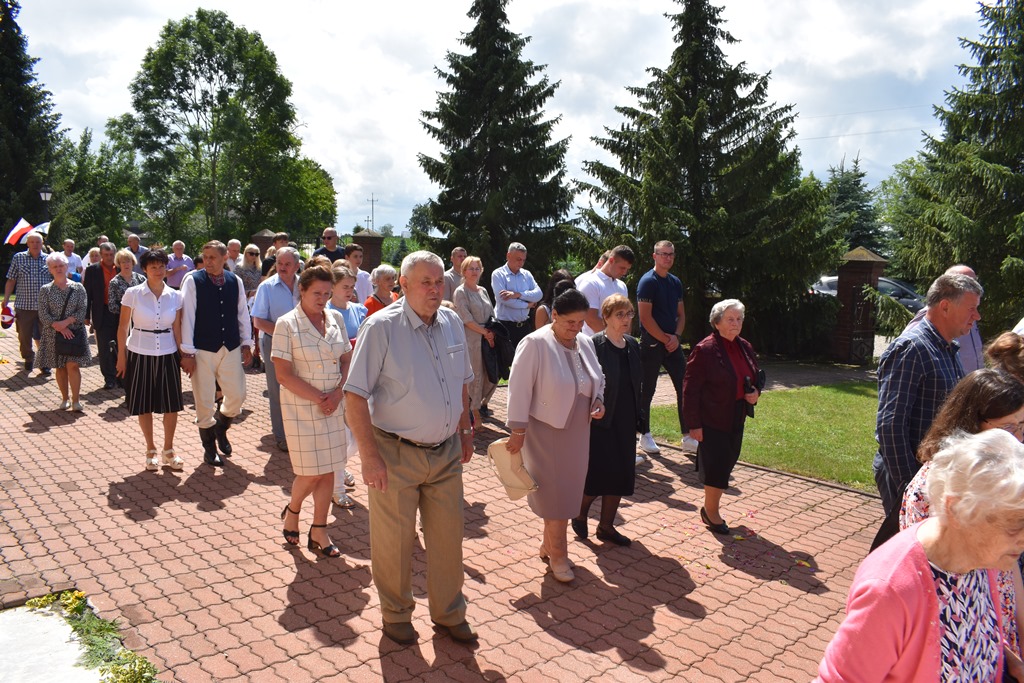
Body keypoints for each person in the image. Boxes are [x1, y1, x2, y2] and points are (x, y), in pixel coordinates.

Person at [343, 251, 478, 646]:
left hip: (446, 451)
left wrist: (465, 429)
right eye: (425, 283)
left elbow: (463, 381)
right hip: (394, 452)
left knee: (449, 538)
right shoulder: (380, 327)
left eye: (438, 282)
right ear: (403, 285)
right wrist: (369, 457)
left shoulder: (451, 322)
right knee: (394, 542)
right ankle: (396, 614)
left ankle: (449, 613)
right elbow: (354, 396)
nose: (435, 290)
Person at [815, 429, 1024, 683]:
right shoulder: (891, 591)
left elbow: (970, 633)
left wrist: (1005, 660)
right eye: (1014, 523)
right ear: (958, 509)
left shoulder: (978, 557)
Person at [898, 369, 1024, 659]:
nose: (1018, 440)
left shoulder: (1000, 476)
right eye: (1007, 428)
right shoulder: (936, 487)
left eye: (1022, 426)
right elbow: (936, 584)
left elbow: (1010, 567)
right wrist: (1000, 650)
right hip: (958, 632)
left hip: (996, 625)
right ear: (971, 423)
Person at [506, 289, 606, 582]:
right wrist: (518, 431)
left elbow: (598, 377)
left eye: (580, 322)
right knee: (554, 494)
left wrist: (599, 400)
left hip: (578, 430)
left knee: (568, 491)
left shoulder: (585, 342)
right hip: (545, 430)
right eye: (570, 322)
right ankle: (559, 555)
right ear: (554, 315)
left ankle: (549, 545)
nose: (576, 328)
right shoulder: (534, 343)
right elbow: (518, 389)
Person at [874, 273, 983, 516]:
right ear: (945, 306)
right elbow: (890, 425)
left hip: (931, 477)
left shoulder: (947, 348)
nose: (977, 316)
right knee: (904, 538)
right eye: (971, 309)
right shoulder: (912, 348)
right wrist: (910, 484)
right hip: (909, 477)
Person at [274, 266, 352, 558]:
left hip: (333, 404)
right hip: (301, 407)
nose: (322, 299)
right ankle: (293, 510)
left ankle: (319, 528)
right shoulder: (286, 324)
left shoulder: (336, 319)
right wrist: (321, 398)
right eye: (316, 293)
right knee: (310, 472)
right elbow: (283, 374)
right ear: (302, 290)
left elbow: (347, 359)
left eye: (327, 293)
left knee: (329, 468)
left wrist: (338, 393)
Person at [682, 299, 761, 535]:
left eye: (739, 319)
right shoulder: (705, 350)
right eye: (730, 319)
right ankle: (711, 511)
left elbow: (755, 376)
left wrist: (756, 392)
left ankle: (710, 507)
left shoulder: (744, 346)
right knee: (716, 466)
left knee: (727, 461)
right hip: (712, 417)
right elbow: (690, 389)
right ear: (716, 322)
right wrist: (693, 425)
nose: (736, 323)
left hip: (736, 414)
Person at [573, 294, 641, 546]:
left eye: (629, 314)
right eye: (619, 314)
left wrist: (640, 417)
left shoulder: (633, 344)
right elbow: (583, 381)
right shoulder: (594, 345)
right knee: (598, 475)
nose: (626, 319)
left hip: (626, 419)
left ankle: (606, 526)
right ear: (606, 317)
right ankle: (579, 513)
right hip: (601, 421)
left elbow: (637, 384)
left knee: (621, 474)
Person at [180, 241, 253, 467]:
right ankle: (209, 447)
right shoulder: (193, 280)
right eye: (205, 257)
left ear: (224, 258)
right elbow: (187, 316)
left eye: (212, 257)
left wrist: (247, 343)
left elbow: (242, 313)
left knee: (238, 395)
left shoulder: (235, 280)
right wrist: (187, 352)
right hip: (202, 348)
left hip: (230, 345)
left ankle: (221, 427)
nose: (208, 261)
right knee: (204, 399)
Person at [114, 249, 186, 472]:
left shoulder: (175, 295)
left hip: (168, 352)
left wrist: (183, 355)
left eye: (162, 266)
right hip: (139, 351)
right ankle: (150, 449)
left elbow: (177, 328)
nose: (158, 270)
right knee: (143, 403)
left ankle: (169, 450)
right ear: (144, 269)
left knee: (171, 404)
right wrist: (121, 357)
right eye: (153, 267)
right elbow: (123, 327)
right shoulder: (133, 293)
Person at [636, 240, 692, 458]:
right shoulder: (647, 282)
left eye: (671, 254)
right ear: (654, 256)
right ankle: (644, 433)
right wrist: (665, 338)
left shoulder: (675, 282)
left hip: (672, 344)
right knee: (647, 390)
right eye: (663, 254)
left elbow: (681, 314)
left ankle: (688, 436)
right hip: (651, 344)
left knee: (684, 386)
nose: (667, 258)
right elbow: (645, 318)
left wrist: (676, 337)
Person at [251, 247, 300, 452]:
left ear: (297, 266)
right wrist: (285, 335)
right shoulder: (267, 287)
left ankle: (299, 431)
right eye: (279, 263)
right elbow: (258, 321)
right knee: (278, 389)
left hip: (302, 344)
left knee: (301, 387)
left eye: (287, 264)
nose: (282, 267)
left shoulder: (304, 285)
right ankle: (281, 435)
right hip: (275, 342)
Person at [326, 262, 366, 508]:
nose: (350, 291)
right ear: (332, 287)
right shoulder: (325, 311)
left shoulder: (359, 310)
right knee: (341, 436)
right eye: (345, 287)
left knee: (359, 435)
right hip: (335, 380)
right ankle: (337, 488)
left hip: (358, 379)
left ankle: (337, 468)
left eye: (352, 287)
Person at [903, 264, 985, 373]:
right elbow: (912, 341)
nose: (973, 285)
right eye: (966, 281)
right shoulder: (930, 314)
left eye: (975, 281)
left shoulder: (967, 315)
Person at [36, 253, 90, 410]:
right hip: (53, 334)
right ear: (50, 269)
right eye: (55, 267)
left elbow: (82, 310)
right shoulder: (45, 290)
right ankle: (65, 398)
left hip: (74, 333)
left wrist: (66, 323)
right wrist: (58, 326)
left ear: (67, 267)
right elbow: (43, 313)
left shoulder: (78, 288)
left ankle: (76, 400)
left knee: (73, 365)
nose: (58, 269)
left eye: (61, 266)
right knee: (59, 367)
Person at [453, 256, 496, 425]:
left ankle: (479, 405)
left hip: (487, 338)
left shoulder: (483, 290)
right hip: (471, 338)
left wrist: (491, 333)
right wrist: (484, 332)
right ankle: (473, 411)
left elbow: (492, 313)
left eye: (477, 268)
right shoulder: (461, 292)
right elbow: (466, 318)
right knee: (475, 374)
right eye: (471, 268)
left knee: (489, 373)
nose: (474, 272)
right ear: (464, 271)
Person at [3, 232, 51, 373]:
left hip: (44, 305)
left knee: (46, 336)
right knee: (24, 336)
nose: (35, 245)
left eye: (38, 242)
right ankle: (29, 357)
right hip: (24, 306)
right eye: (32, 242)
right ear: (28, 243)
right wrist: (6, 299)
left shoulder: (49, 259)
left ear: (42, 243)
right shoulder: (19, 258)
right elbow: (11, 280)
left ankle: (44, 362)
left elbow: (56, 280)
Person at [492, 242, 543, 352]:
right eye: (518, 259)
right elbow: (504, 300)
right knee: (506, 360)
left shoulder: (527, 274)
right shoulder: (498, 274)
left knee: (526, 360)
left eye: (523, 260)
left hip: (524, 327)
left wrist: (518, 294)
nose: (521, 263)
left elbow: (539, 294)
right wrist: (527, 305)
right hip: (505, 327)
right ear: (508, 256)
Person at [83, 242, 119, 388]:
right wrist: (86, 315)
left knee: (120, 344)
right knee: (104, 347)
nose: (109, 257)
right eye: (106, 255)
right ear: (101, 255)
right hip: (101, 312)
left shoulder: (121, 267)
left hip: (120, 312)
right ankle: (109, 378)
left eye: (111, 254)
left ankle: (121, 376)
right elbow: (87, 293)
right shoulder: (93, 270)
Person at [577, 245, 634, 336]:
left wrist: (625, 338)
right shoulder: (591, 283)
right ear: (611, 260)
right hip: (595, 342)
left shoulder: (622, 286)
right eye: (622, 268)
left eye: (627, 269)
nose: (624, 273)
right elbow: (591, 319)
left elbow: (627, 316)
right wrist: (613, 338)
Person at [108, 249, 146, 319]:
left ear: (133, 262)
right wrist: (127, 311)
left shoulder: (141, 279)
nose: (126, 264)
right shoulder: (114, 282)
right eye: (123, 262)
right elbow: (112, 305)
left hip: (141, 317)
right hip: (122, 318)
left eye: (128, 261)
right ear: (119, 264)